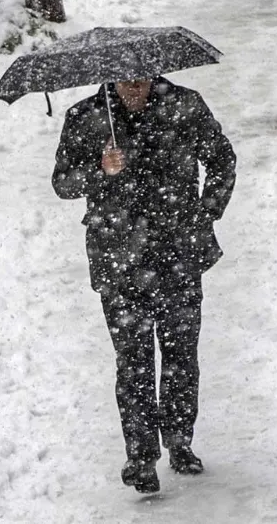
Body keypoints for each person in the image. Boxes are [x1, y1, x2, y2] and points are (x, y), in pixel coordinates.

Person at [52, 77, 236, 493]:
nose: (133, 88)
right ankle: (141, 456)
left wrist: (207, 212)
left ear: (154, 75)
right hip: (118, 258)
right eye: (124, 81)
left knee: (180, 355)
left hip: (178, 252)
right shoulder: (85, 117)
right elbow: (62, 183)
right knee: (132, 361)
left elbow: (222, 159)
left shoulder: (184, 105)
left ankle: (179, 441)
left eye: (141, 79)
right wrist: (99, 169)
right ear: (110, 79)